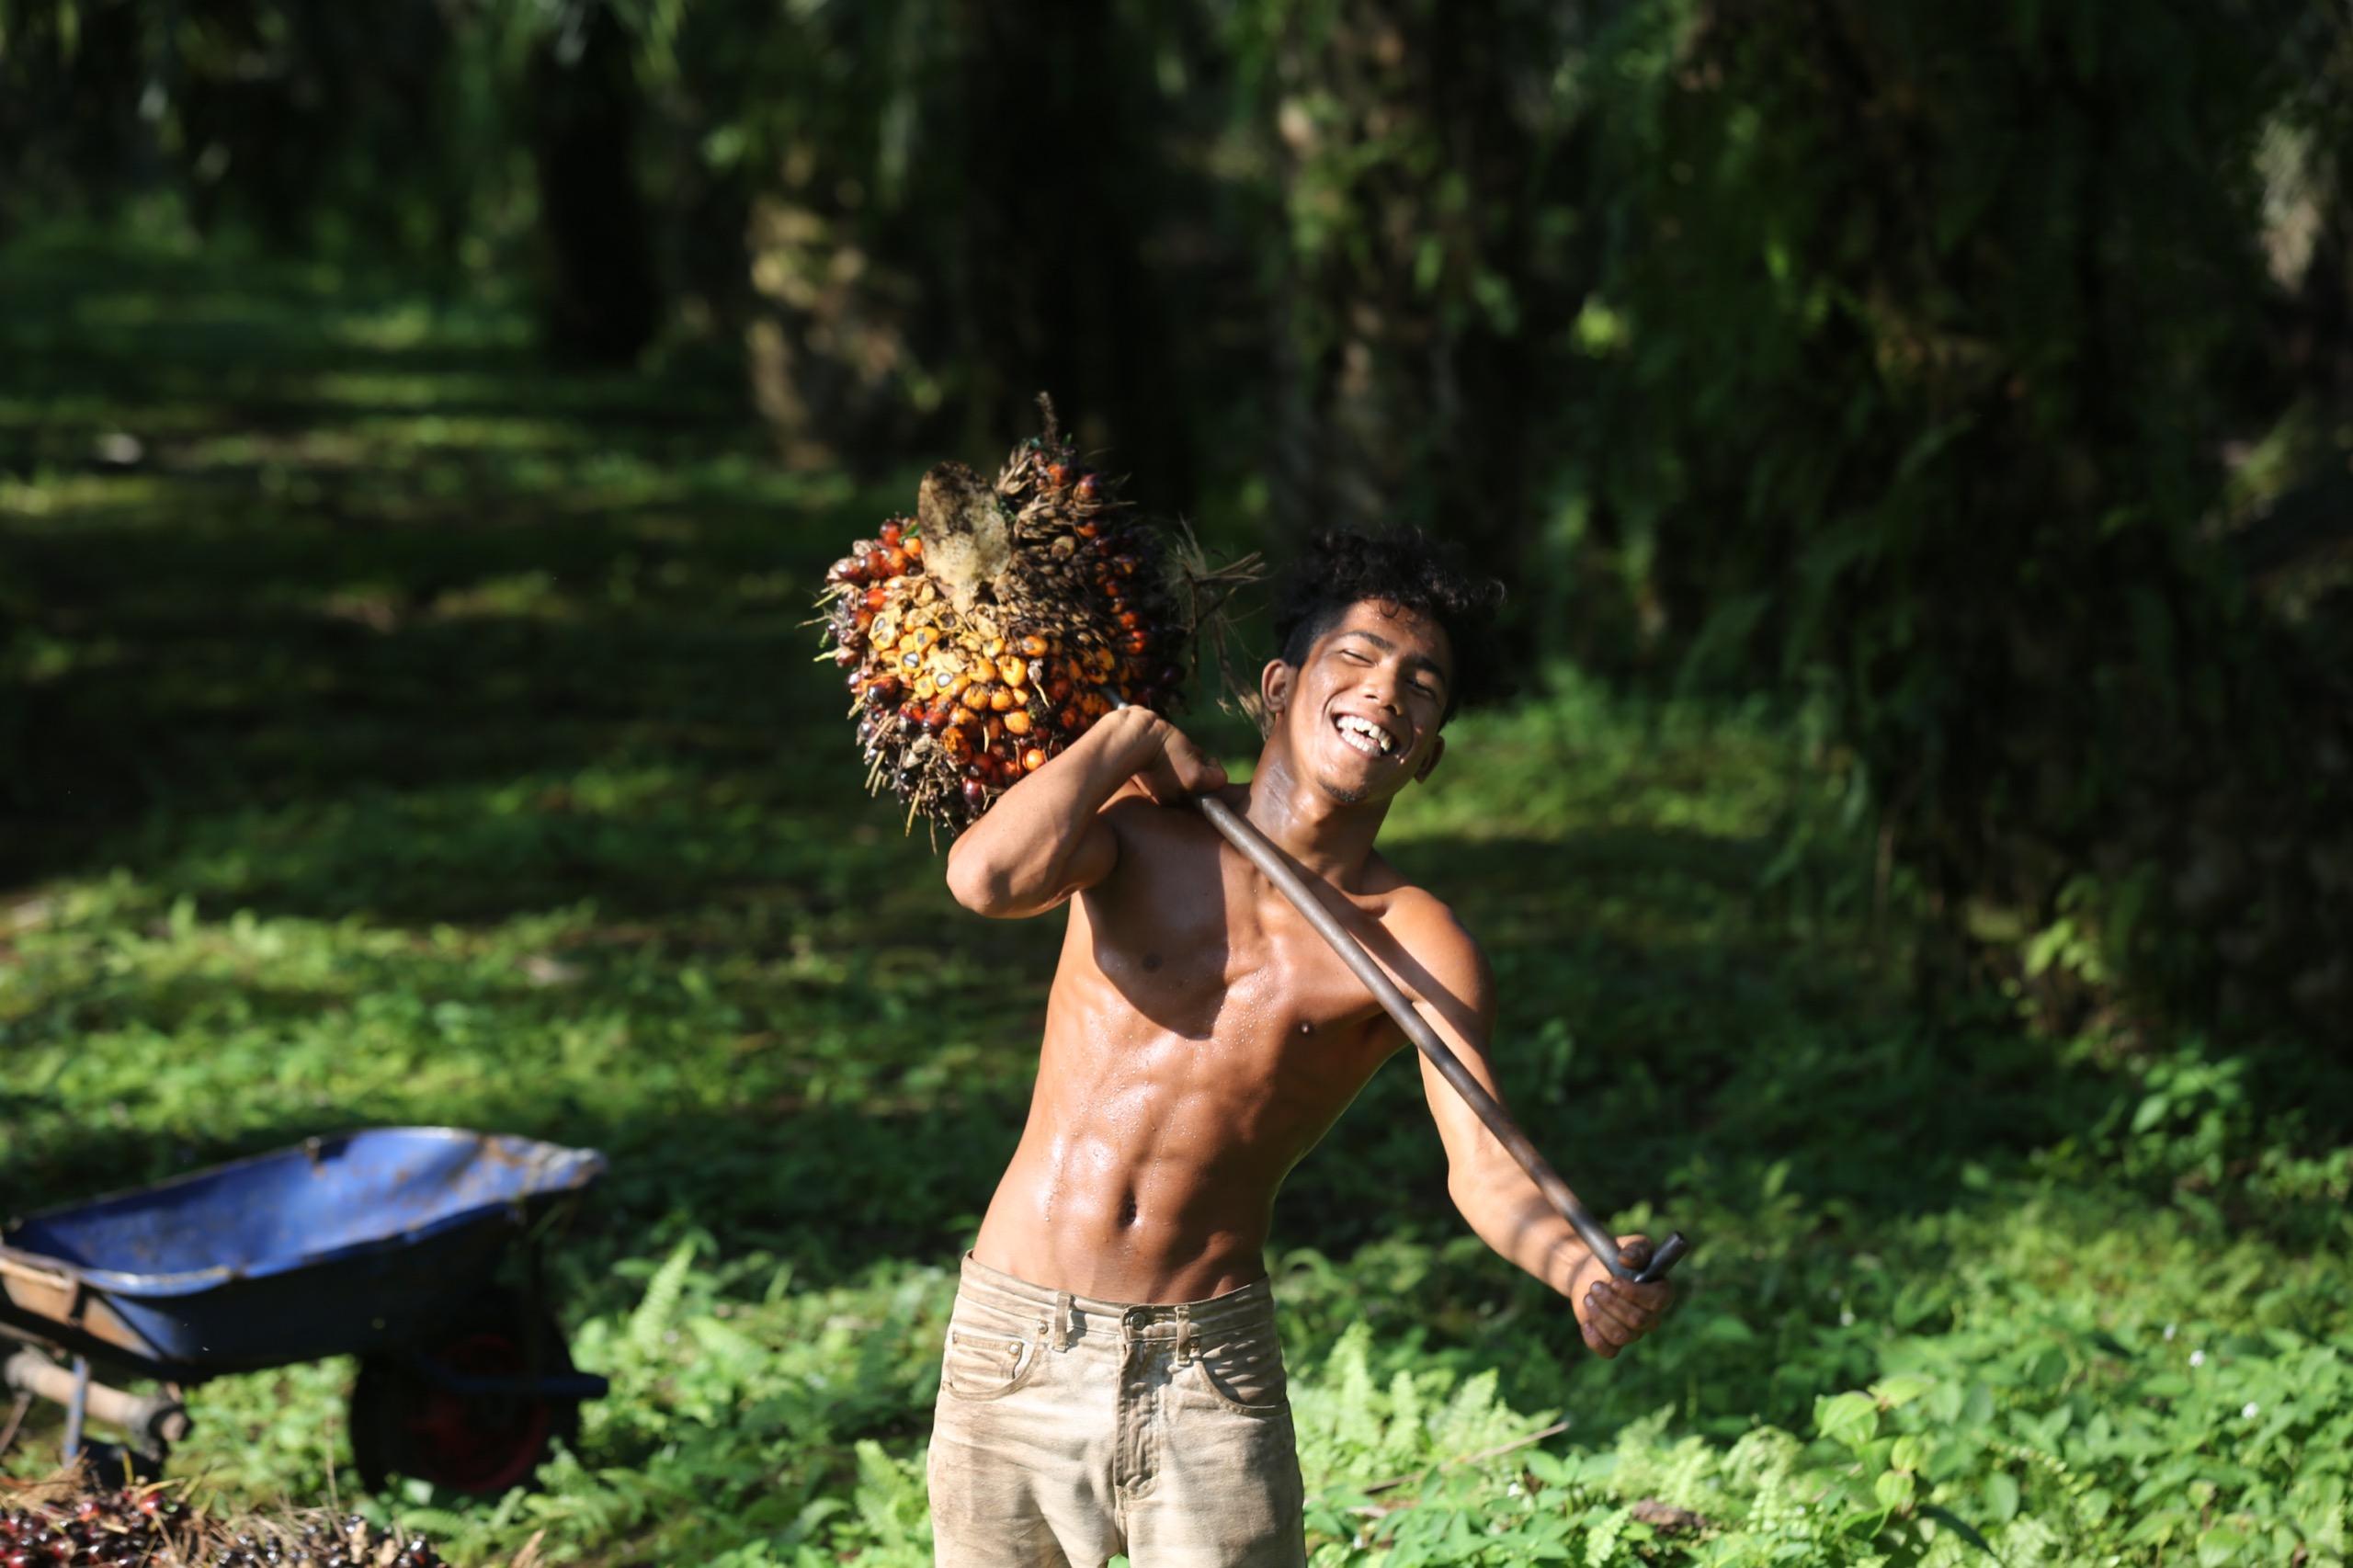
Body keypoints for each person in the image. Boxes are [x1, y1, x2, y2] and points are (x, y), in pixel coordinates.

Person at [929, 528, 1675, 1567]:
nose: (1386, 693)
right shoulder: (1141, 828)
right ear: (1279, 686)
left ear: (1432, 749)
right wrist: (1126, 737)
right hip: (1018, 1332)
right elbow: (985, 879)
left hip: (1206, 1366)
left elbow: (1484, 1161)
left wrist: (1577, 1271)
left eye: (1422, 686)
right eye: (1357, 657)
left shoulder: (1414, 940)